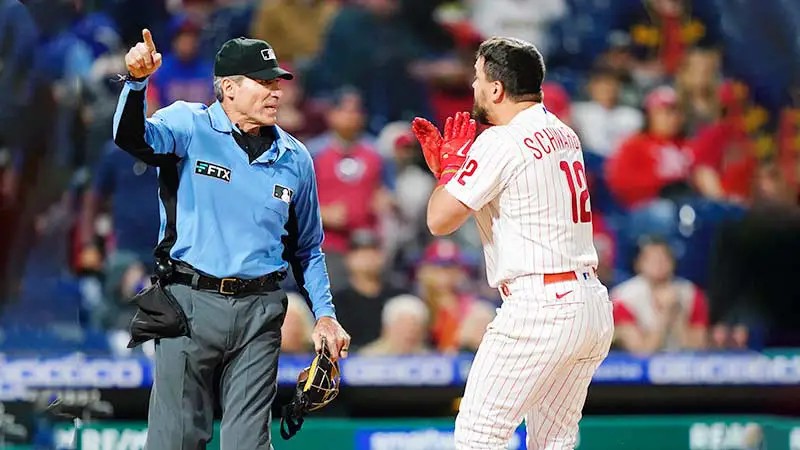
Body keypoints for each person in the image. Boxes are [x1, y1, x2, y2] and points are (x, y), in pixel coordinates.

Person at [115, 30, 351, 450]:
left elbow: (307, 249)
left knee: (247, 444)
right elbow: (132, 139)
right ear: (228, 88)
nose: (275, 92)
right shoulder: (188, 124)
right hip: (188, 304)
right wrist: (136, 84)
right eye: (263, 82)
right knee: (175, 440)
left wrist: (325, 315)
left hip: (259, 312)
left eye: (276, 83)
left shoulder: (295, 158)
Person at [412, 37, 614, 449]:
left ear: (497, 89)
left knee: (478, 434)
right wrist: (457, 178)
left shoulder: (500, 140)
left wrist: (450, 174)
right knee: (553, 440)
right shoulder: (564, 133)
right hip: (588, 303)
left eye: (477, 78)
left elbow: (438, 220)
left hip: (539, 307)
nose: (473, 87)